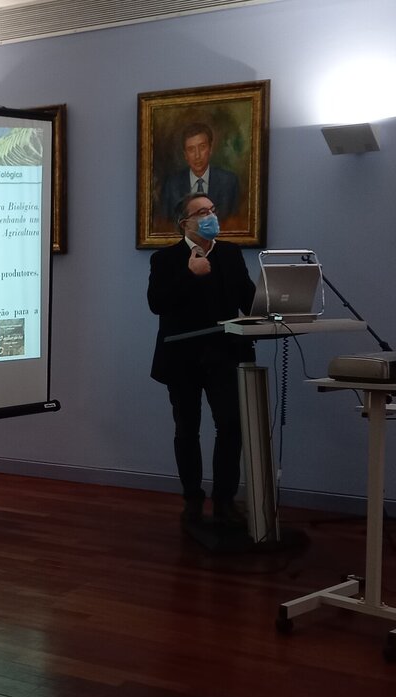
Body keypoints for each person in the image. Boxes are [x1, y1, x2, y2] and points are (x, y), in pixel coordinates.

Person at [147, 192, 255, 525]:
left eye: (213, 209)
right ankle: (192, 498)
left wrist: (277, 304)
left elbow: (249, 300)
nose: (211, 216)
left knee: (231, 426)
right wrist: (190, 274)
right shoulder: (165, 259)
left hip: (224, 354)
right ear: (186, 223)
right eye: (202, 212)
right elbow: (157, 303)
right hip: (182, 359)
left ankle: (224, 500)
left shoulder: (231, 253)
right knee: (187, 429)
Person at [159, 122, 239, 226]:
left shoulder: (229, 182)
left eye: (202, 147)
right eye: (191, 149)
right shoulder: (171, 185)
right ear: (185, 155)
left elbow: (235, 225)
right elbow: (164, 226)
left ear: (210, 149)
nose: (197, 156)